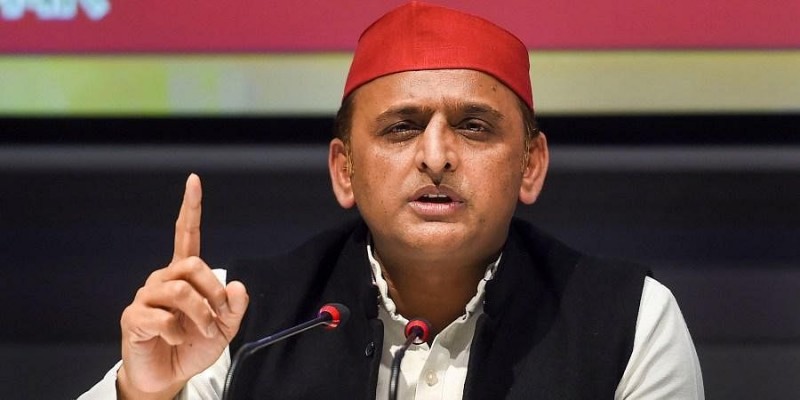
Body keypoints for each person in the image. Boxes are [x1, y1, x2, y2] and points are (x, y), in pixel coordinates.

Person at [81, 1, 704, 399]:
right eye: (402, 128)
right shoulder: (228, 316)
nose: (436, 155)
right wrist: (148, 394)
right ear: (344, 170)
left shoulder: (630, 320)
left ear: (530, 165)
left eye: (474, 126)